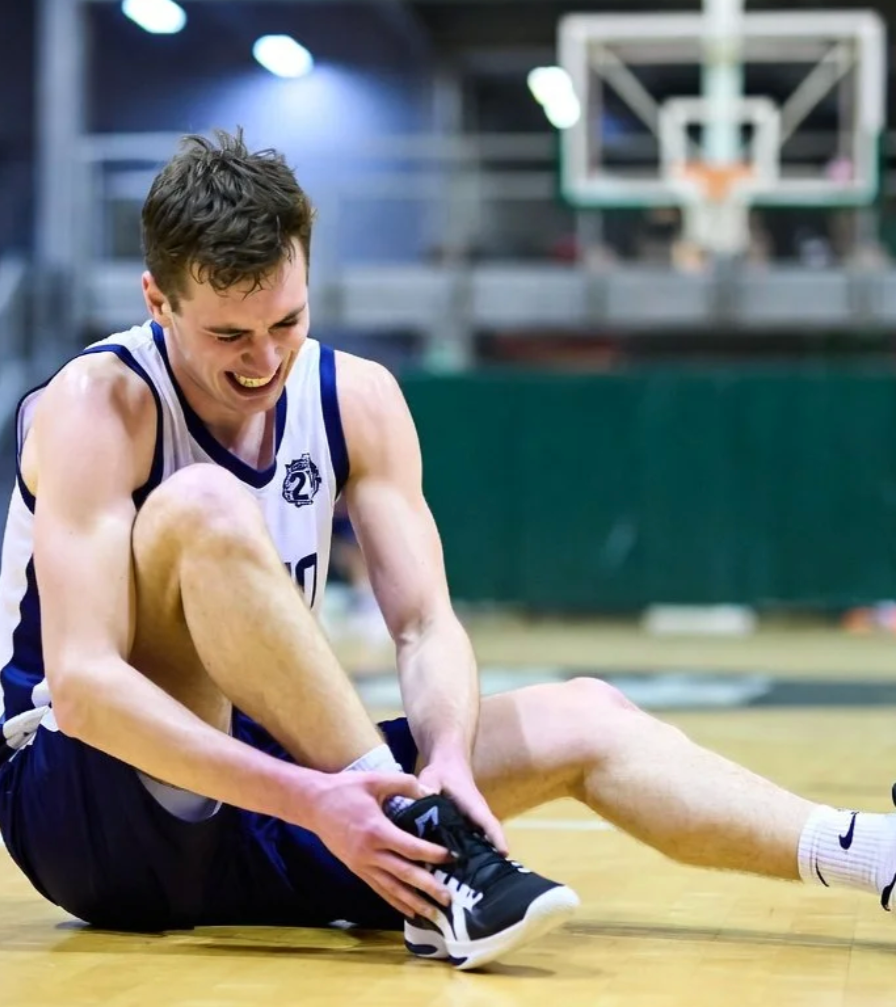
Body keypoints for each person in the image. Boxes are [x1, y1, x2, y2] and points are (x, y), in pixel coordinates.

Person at [0, 132, 893, 974]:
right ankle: (441, 851)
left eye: (287, 319)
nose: (264, 358)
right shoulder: (99, 405)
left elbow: (426, 623)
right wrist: (314, 798)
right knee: (201, 504)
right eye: (229, 336)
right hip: (93, 812)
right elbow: (83, 689)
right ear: (157, 300)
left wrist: (450, 754)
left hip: (278, 792)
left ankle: (870, 853)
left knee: (585, 713)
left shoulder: (356, 397)